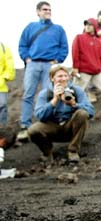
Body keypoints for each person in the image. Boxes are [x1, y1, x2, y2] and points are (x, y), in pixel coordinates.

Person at [17, 1, 68, 141]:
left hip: (49, 65)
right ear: (38, 12)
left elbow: (64, 47)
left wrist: (58, 60)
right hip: (33, 64)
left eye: (49, 10)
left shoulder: (58, 29)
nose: (48, 12)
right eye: (45, 9)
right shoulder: (30, 27)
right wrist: (26, 58)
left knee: (49, 94)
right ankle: (25, 126)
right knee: (28, 94)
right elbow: (22, 44)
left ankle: (48, 123)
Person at [28, 64, 95, 163]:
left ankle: (73, 151)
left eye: (65, 76)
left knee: (82, 113)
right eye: (59, 76)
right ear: (52, 78)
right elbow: (39, 116)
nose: (63, 79)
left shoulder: (77, 91)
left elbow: (91, 111)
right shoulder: (45, 94)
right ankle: (47, 152)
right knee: (33, 130)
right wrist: (54, 100)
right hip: (53, 128)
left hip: (70, 127)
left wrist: (74, 104)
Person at [0, 42, 16, 125]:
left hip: (1, 86)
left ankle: (2, 132)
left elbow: (10, 66)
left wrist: (5, 77)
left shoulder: (4, 48)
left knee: (2, 107)